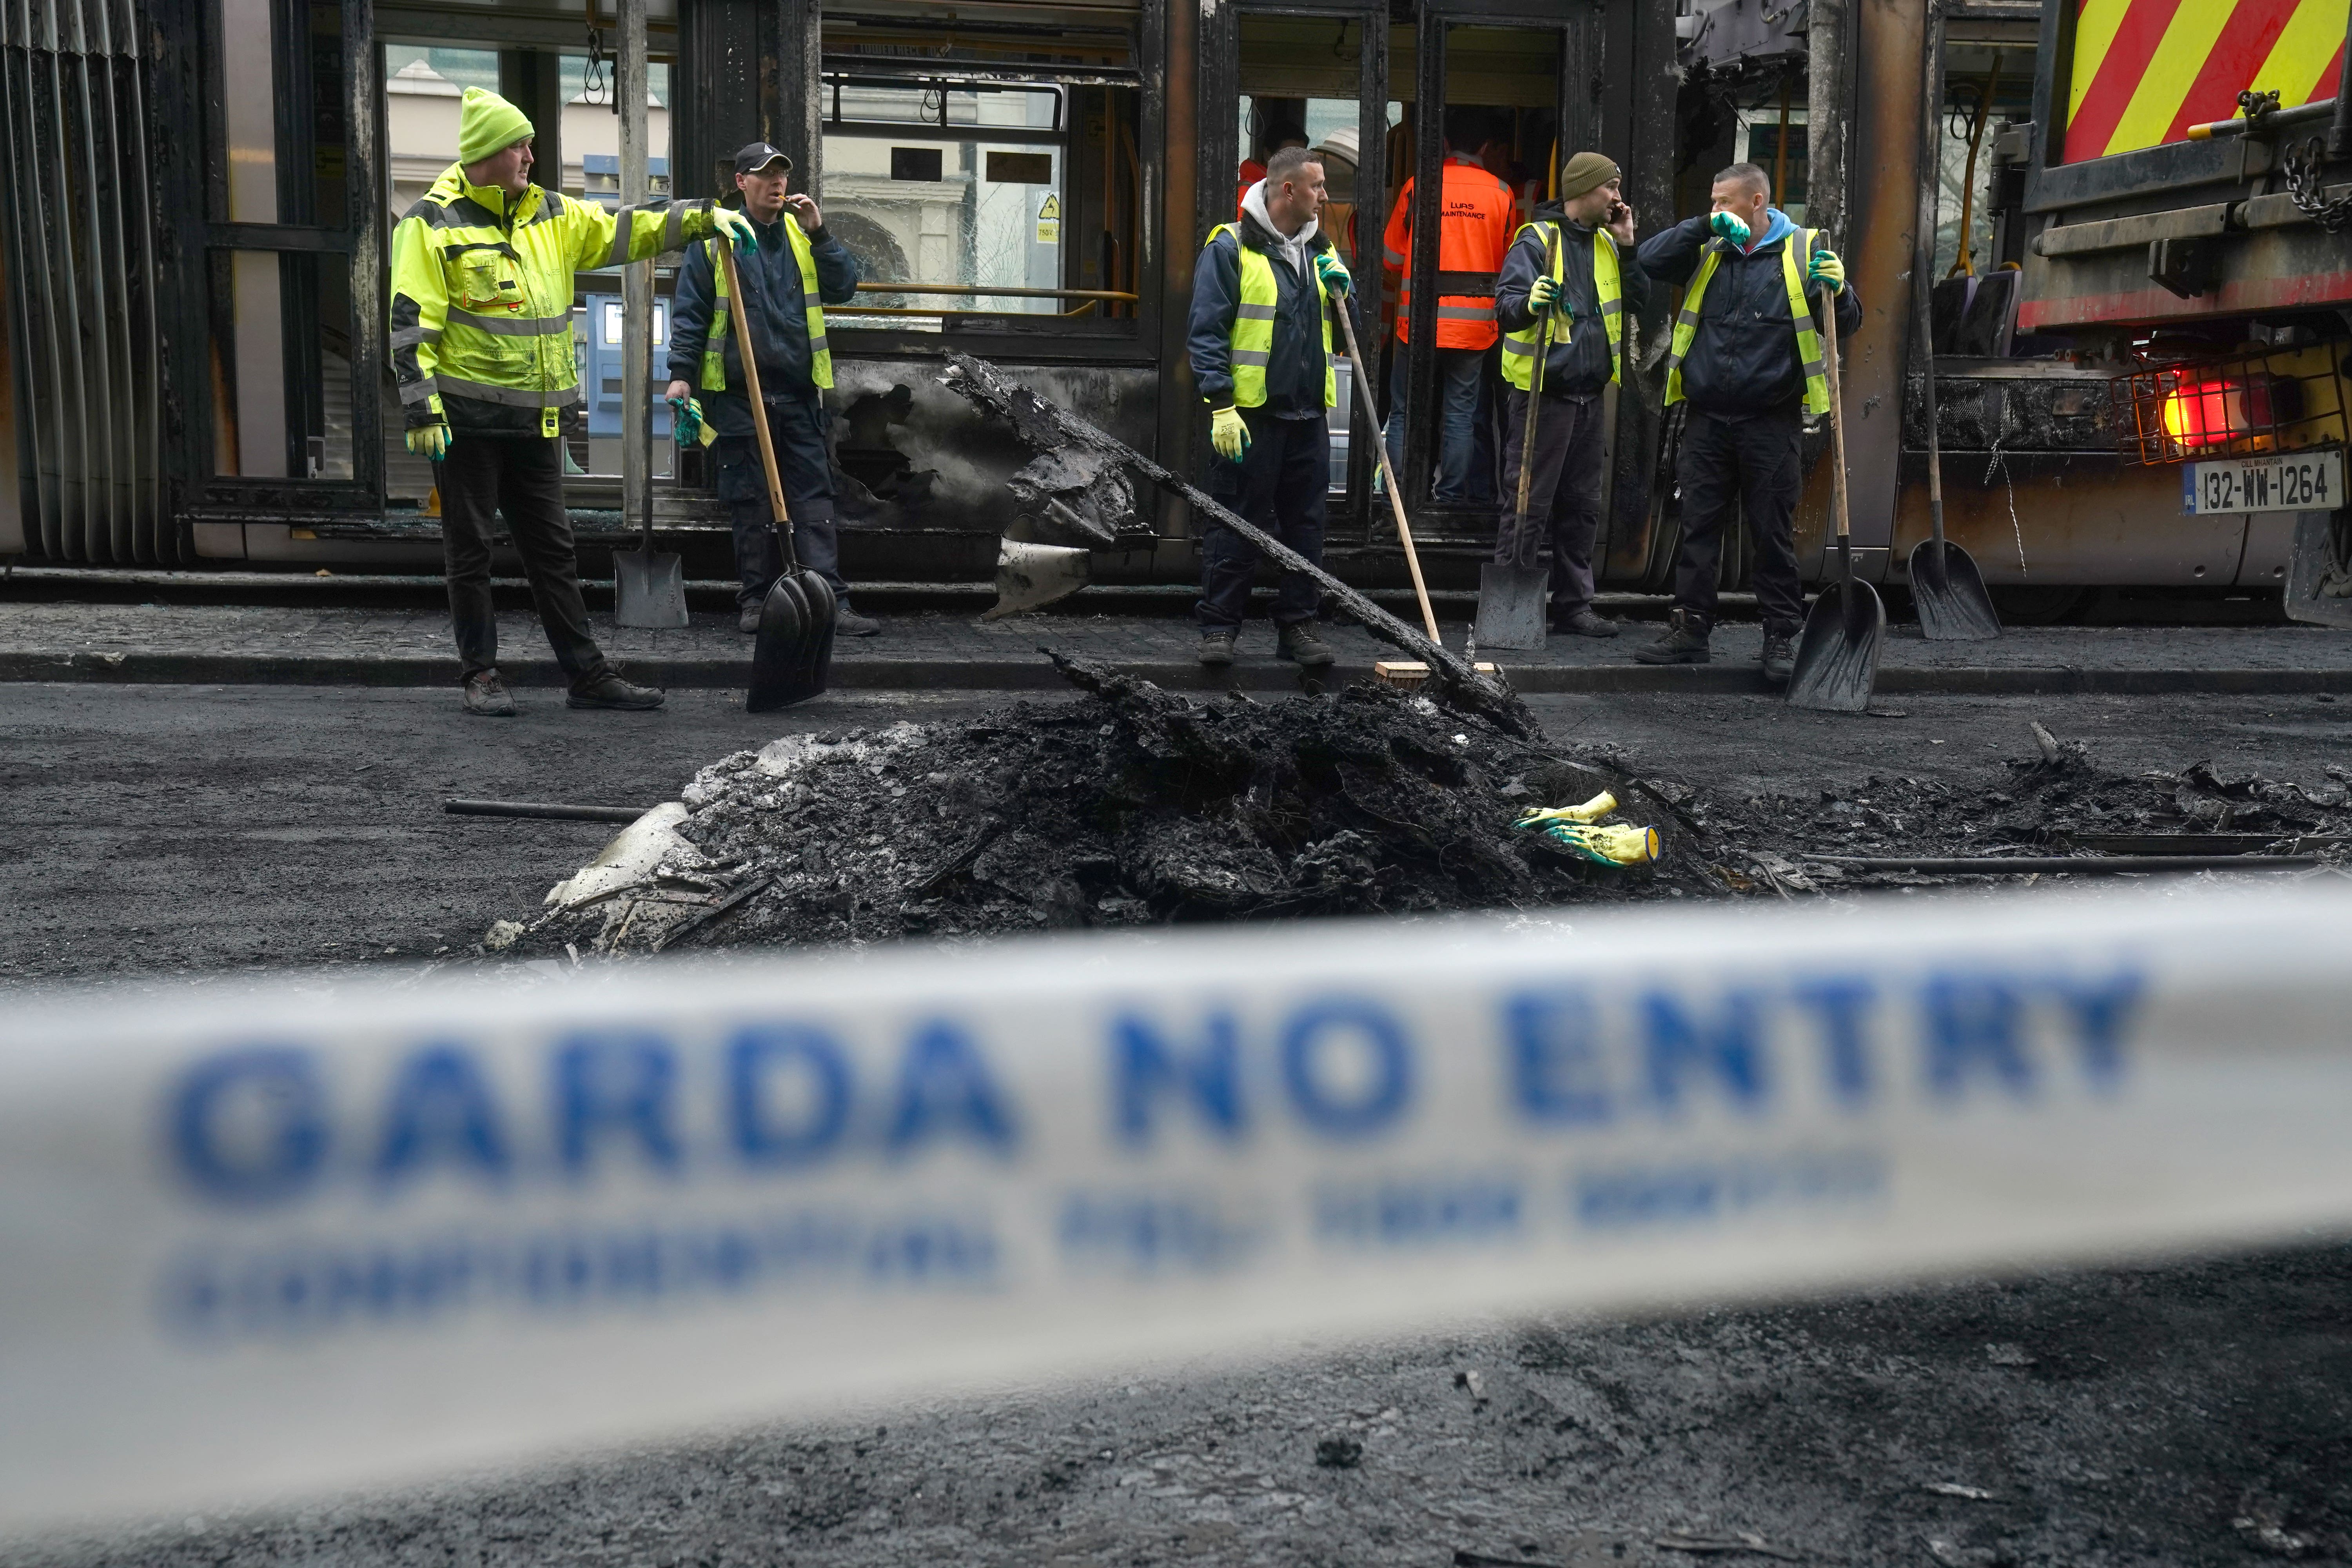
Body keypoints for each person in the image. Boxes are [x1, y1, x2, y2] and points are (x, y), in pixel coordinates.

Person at [390, 86, 757, 717]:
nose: (531, 156)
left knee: (553, 552)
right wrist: (423, 407)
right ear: (486, 152)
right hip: (467, 424)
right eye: (519, 145)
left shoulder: (550, 214)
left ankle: (587, 676)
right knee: (470, 552)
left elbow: (626, 227)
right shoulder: (431, 222)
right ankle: (480, 674)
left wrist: (703, 216)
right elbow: (409, 319)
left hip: (536, 421)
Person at [1632, 161, 1858, 682]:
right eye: (1713, 202)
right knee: (1698, 529)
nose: (1716, 210)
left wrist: (1842, 291)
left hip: (1769, 421)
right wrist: (1704, 225)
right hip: (1708, 418)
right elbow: (1649, 258)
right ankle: (1691, 631)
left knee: (1771, 532)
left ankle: (1782, 635)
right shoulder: (1711, 248)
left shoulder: (1802, 252)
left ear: (1756, 202)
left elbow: (1846, 321)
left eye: (1724, 202)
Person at [666, 143, 875, 637]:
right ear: (742, 183)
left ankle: (830, 602)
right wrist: (681, 373)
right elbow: (691, 314)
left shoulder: (803, 236)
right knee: (753, 503)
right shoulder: (717, 241)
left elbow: (845, 285)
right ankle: (758, 600)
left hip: (799, 395)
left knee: (813, 502)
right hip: (740, 397)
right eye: (765, 175)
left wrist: (820, 232)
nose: (777, 182)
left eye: (781, 173)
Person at [1188, 144, 1349, 668]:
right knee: (1236, 520)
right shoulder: (1230, 247)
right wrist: (1220, 404)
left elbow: (1342, 334)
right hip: (1251, 416)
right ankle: (1220, 629)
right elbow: (1207, 329)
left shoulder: (1320, 253)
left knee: (1305, 526)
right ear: (1288, 190)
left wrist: (1348, 295)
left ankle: (1298, 627)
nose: (1324, 196)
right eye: (1318, 186)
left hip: (1307, 416)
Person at [1491, 151, 1652, 638]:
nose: (1618, 198)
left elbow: (1639, 299)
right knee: (1528, 504)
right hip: (1544, 394)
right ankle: (1513, 611)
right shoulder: (1537, 240)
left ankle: (1573, 607)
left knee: (1581, 506)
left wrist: (1628, 247)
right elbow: (1505, 308)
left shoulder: (1608, 242)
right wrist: (1528, 302)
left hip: (1588, 395)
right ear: (1584, 190)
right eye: (1611, 188)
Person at [1379, 109, 1517, 503]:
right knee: (1460, 416)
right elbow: (1509, 262)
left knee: (1406, 414)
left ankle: (1401, 495)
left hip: (1417, 325)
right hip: (1475, 330)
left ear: (1443, 145)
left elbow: (1390, 258)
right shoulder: (1502, 194)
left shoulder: (1418, 187)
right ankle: (1453, 496)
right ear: (1486, 148)